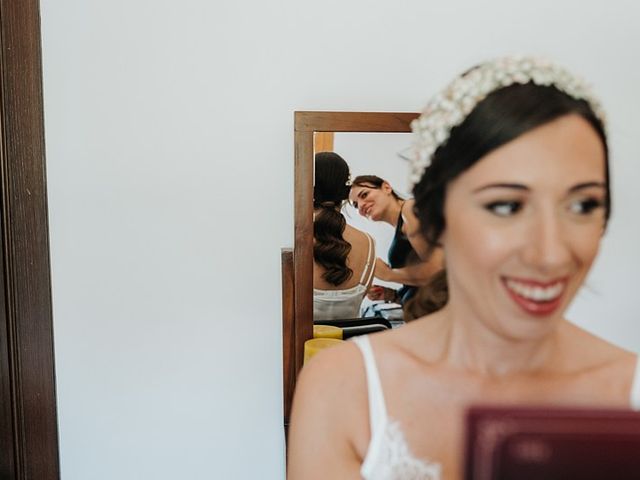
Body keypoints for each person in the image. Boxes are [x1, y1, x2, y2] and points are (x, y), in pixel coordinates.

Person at [288, 56, 640, 480]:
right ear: (437, 215)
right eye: (506, 206)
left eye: (583, 205)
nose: (551, 254)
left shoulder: (631, 389)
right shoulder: (343, 388)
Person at [348, 175, 443, 309]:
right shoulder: (402, 223)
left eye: (364, 194)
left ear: (386, 187)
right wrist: (392, 295)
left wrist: (388, 274)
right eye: (356, 205)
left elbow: (438, 273)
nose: (361, 206)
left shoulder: (410, 209)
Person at [313, 152, 376, 320]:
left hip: (304, 346)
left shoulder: (295, 238)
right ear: (346, 191)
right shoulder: (368, 243)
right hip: (349, 344)